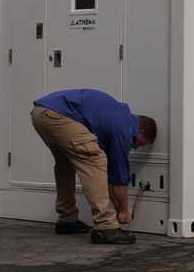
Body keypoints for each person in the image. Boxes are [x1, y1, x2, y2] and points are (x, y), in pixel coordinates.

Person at [31, 88, 157, 245]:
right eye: (141, 144)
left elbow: (109, 177)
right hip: (57, 115)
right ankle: (105, 227)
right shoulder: (125, 129)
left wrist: (119, 210)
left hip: (40, 113)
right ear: (141, 132)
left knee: (65, 164)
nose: (137, 147)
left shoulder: (118, 119)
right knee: (96, 159)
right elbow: (118, 176)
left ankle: (67, 218)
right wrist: (124, 211)